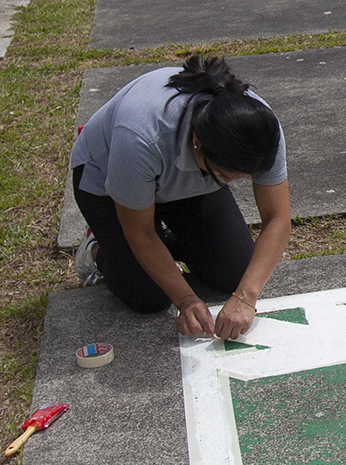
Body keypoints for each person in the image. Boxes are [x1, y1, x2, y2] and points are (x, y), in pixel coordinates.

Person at [70, 55, 292, 340]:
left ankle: (173, 242)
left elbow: (277, 218)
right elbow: (140, 233)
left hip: (183, 183)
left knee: (235, 273)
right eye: (226, 176)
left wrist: (246, 296)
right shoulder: (141, 136)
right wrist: (185, 300)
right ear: (198, 142)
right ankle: (98, 249)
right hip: (106, 183)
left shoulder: (260, 128)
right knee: (148, 296)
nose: (233, 182)